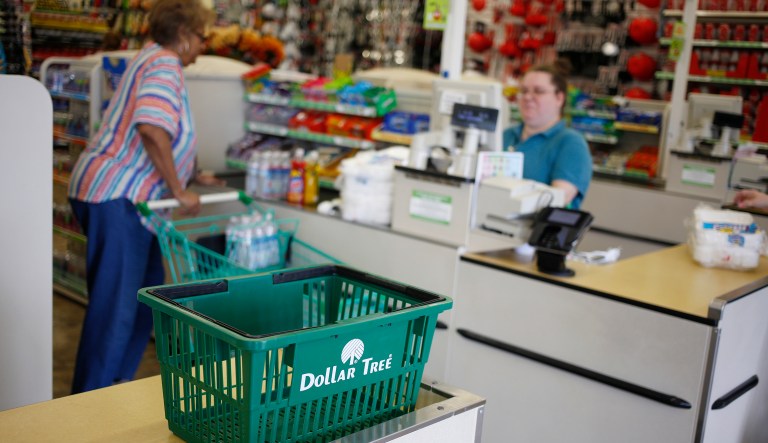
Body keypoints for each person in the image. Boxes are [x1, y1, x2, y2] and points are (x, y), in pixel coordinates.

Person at [67, 0, 219, 393]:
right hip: (118, 196)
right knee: (117, 312)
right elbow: (152, 127)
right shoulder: (165, 63)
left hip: (130, 202)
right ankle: (88, 409)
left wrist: (191, 171)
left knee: (143, 302)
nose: (204, 47)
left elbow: (167, 128)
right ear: (184, 35)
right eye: (202, 37)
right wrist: (178, 188)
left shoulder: (151, 58)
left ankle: (115, 390)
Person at [502, 60, 593, 208]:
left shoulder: (571, 143)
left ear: (559, 98)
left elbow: (559, 198)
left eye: (538, 91)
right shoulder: (506, 136)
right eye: (524, 91)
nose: (528, 97)